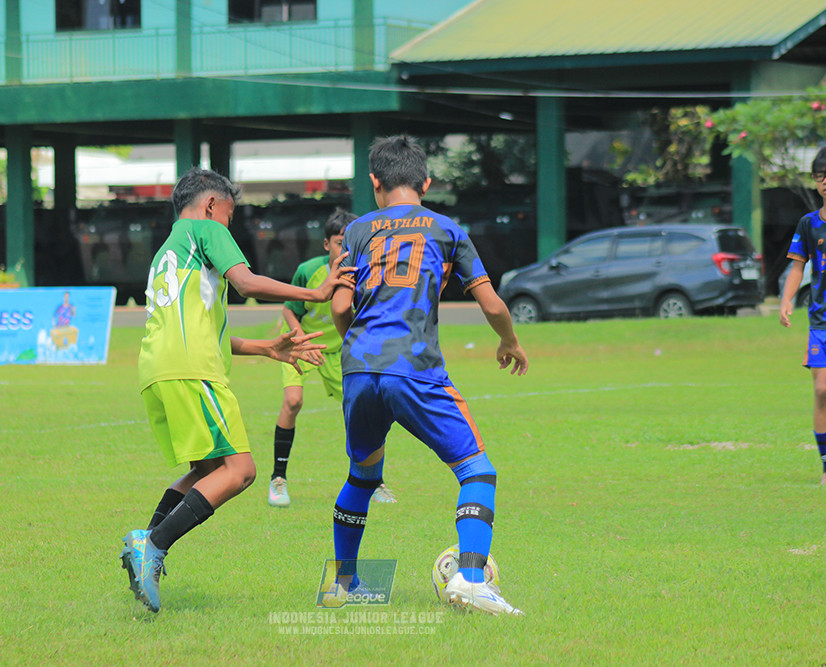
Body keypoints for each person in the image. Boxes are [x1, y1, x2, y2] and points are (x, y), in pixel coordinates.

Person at [119, 168, 352, 613]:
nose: (230, 226)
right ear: (211, 206)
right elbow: (246, 282)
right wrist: (318, 293)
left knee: (208, 470)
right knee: (241, 471)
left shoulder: (169, 250)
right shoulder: (206, 229)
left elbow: (207, 331)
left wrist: (267, 348)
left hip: (157, 370)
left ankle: (144, 547)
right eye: (230, 215)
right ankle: (153, 544)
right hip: (192, 370)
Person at [327, 135, 529, 615]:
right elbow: (491, 304)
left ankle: (343, 584)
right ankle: (472, 579)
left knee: (362, 476)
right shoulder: (447, 229)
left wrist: (360, 347)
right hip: (414, 368)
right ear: (427, 182)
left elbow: (338, 307)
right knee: (477, 470)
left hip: (359, 368)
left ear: (375, 182)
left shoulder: (357, 231)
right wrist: (509, 341)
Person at [268, 208, 396, 507]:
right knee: (293, 401)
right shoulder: (309, 271)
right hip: (299, 344)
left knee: (363, 411)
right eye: (340, 243)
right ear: (327, 244)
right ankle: (278, 479)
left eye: (352, 243)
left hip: (339, 350)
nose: (346, 250)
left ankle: (373, 480)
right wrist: (301, 340)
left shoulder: (365, 273)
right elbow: (289, 309)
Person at [780, 145, 826, 487]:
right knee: (824, 391)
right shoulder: (809, 224)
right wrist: (786, 300)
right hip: (825, 321)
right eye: (819, 176)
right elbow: (798, 266)